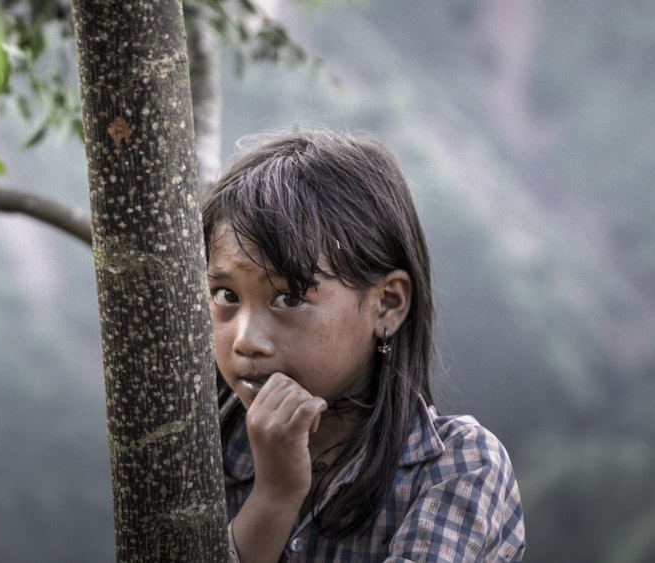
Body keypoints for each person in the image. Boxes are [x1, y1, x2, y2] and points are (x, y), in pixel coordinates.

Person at [202, 129, 526, 562]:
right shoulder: (199, 453)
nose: (245, 340)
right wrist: (273, 497)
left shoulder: (456, 469)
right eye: (226, 295)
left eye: (290, 298)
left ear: (387, 305)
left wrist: (278, 494)